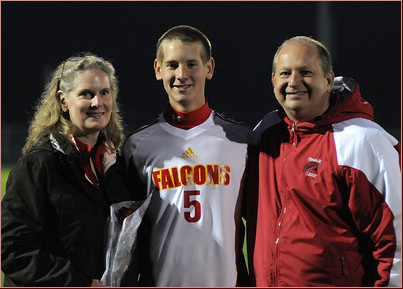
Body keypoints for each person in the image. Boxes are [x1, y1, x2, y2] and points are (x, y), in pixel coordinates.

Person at [246, 36, 401, 287]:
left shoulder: (362, 141)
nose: (294, 82)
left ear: (329, 80)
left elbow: (395, 241)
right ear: (273, 80)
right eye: (285, 73)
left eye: (305, 72)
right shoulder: (265, 135)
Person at [116, 25, 253, 287]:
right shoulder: (137, 145)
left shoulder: (241, 140)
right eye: (172, 65)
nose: (181, 74)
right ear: (158, 69)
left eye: (191, 64)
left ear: (209, 68)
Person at [1, 53, 126, 286]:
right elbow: (14, 251)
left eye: (104, 93)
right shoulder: (38, 165)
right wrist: (80, 284)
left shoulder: (114, 165)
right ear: (63, 101)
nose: (97, 102)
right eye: (86, 94)